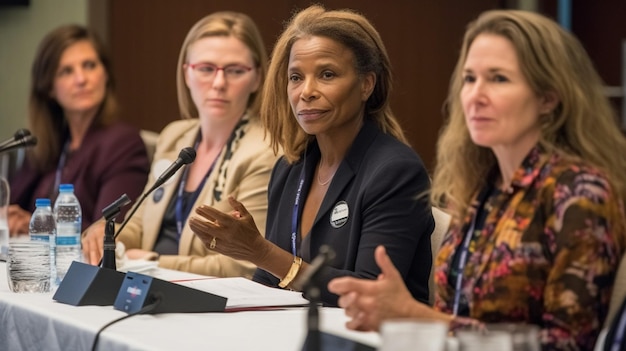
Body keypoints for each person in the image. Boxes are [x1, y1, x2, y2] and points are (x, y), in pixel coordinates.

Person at [328, 9, 626, 350]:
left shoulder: (580, 195)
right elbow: (455, 313)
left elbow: (568, 345)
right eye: (470, 79)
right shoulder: (481, 186)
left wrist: (413, 315)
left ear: (548, 98)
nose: (475, 96)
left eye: (498, 79)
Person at [189, 5, 434, 306]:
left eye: (327, 74)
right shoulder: (290, 168)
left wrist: (260, 252)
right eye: (296, 77)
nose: (306, 91)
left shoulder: (395, 171)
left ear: (366, 84)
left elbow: (371, 293)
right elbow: (268, 282)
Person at [81, 11, 280, 278]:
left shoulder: (265, 152)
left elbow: (242, 266)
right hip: (146, 285)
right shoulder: (174, 136)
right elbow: (140, 223)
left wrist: (153, 262)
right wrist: (108, 235)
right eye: (206, 69)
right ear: (187, 73)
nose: (219, 83)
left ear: (257, 77)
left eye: (235, 71)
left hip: (212, 301)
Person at [9, 25, 150, 234]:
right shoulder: (48, 143)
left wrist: (36, 225)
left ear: (106, 75)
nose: (81, 79)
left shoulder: (123, 143)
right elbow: (13, 206)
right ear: (48, 87)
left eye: (90, 65)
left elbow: (108, 229)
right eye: (67, 71)